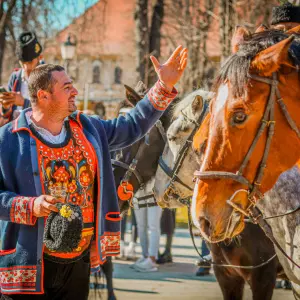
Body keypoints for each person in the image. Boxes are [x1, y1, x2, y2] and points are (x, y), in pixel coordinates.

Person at [0, 45, 187, 299]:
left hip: (79, 263)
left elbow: (132, 125)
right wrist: (30, 205)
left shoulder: (88, 128)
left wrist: (163, 86)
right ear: (43, 96)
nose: (75, 91)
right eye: (66, 87)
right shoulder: (8, 139)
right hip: (29, 267)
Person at [0, 31, 43, 125]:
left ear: (40, 57)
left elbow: (50, 109)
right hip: (15, 127)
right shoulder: (15, 76)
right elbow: (6, 115)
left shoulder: (48, 76)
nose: (26, 68)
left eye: (30, 62)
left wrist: (24, 103)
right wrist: (6, 107)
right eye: (23, 63)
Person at [131, 179, 162, 272]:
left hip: (155, 192)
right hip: (137, 193)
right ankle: (145, 256)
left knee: (153, 226)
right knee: (140, 226)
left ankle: (152, 259)